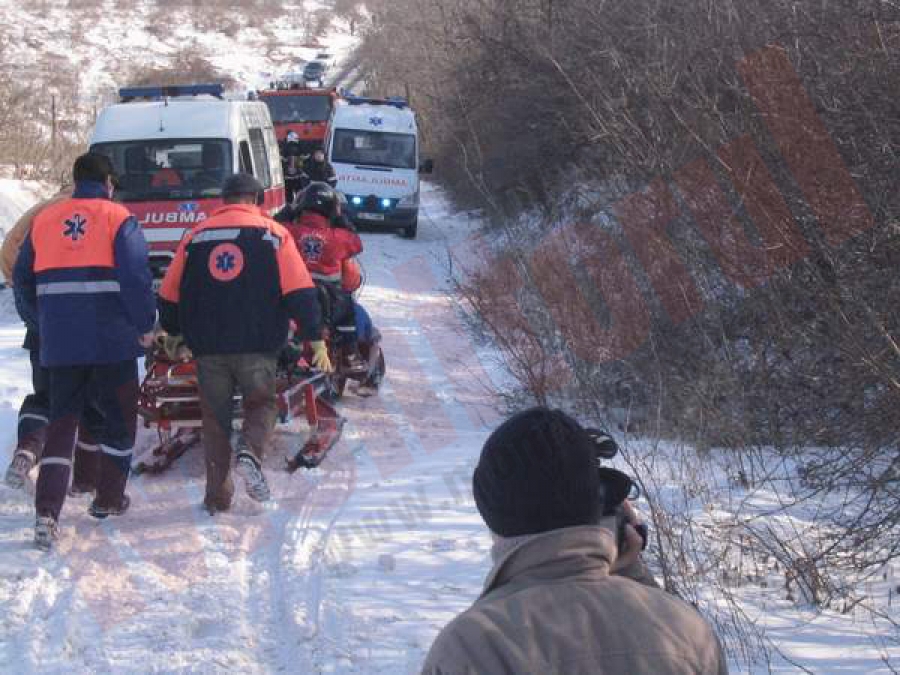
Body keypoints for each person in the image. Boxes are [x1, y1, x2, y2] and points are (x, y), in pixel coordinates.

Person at [421, 407, 729, 675]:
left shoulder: (468, 649)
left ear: (490, 509)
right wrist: (630, 572)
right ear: (597, 502)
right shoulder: (687, 631)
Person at [157, 173, 329, 515]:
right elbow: (300, 292)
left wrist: (175, 332)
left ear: (224, 199)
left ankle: (217, 498)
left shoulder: (195, 236)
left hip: (208, 347)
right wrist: (314, 338)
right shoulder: (275, 235)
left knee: (215, 420)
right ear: (257, 200)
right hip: (259, 343)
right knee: (261, 404)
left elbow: (168, 293)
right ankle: (250, 450)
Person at [13, 152, 156, 550]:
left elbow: (21, 280)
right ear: (108, 182)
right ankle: (109, 498)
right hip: (113, 344)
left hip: (62, 346)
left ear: (76, 181)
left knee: (62, 426)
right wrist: (146, 326)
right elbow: (136, 278)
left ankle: (46, 512)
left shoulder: (45, 220)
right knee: (119, 420)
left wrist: (42, 323)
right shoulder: (118, 218)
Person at [2, 185, 106, 494]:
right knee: (91, 403)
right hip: (86, 325)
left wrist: (30, 304)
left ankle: (27, 449)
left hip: (44, 319)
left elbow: (9, 254)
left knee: (44, 396)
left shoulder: (38, 213)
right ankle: (86, 481)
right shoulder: (97, 215)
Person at [287, 182, 365, 372]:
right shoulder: (338, 237)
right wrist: (342, 221)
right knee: (349, 312)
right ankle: (350, 355)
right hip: (330, 302)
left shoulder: (288, 231)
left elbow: (271, 229)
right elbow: (356, 244)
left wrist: (286, 213)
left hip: (292, 301)